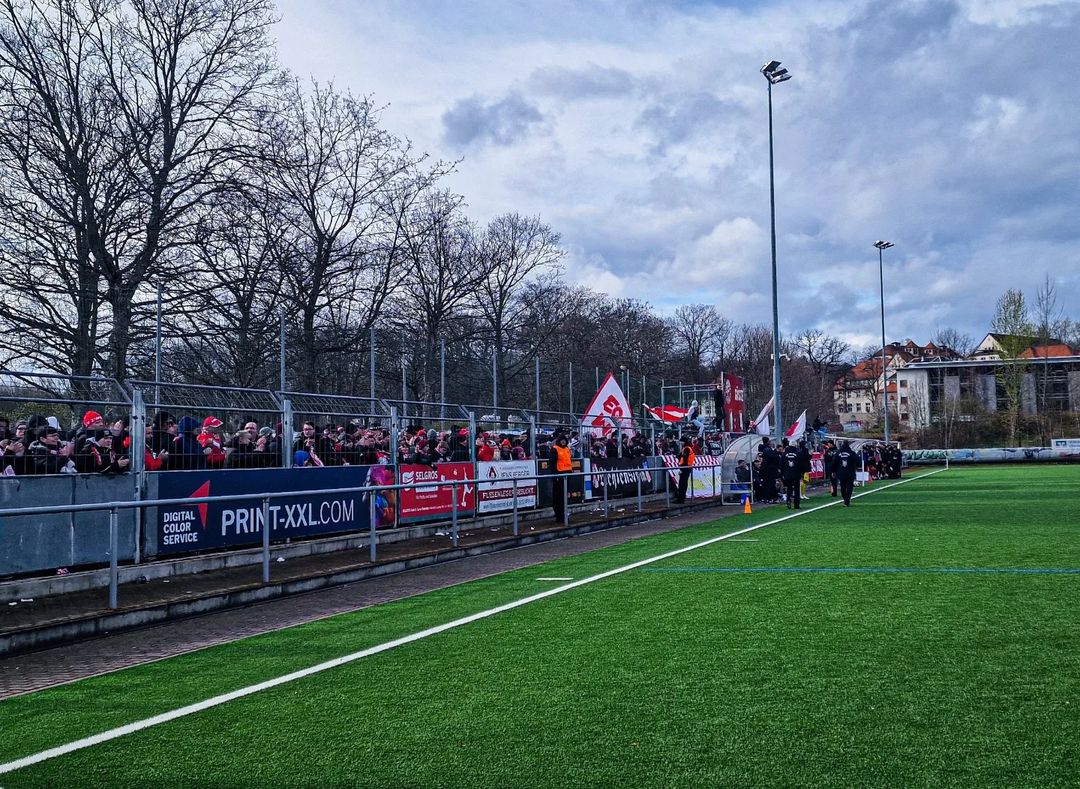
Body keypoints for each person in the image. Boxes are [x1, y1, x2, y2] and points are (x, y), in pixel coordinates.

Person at [548, 433, 572, 524]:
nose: (563, 442)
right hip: (559, 475)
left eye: (564, 440)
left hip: (567, 474)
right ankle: (559, 516)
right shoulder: (555, 449)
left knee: (565, 496)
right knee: (558, 497)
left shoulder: (567, 449)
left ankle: (563, 515)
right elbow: (552, 463)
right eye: (561, 440)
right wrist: (555, 476)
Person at [831, 440, 859, 506]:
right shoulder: (851, 453)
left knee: (842, 486)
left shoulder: (838, 453)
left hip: (840, 472)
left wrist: (833, 471)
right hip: (850, 472)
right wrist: (856, 467)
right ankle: (847, 500)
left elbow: (834, 462)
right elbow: (858, 461)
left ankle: (844, 498)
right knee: (850, 487)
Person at [780, 438, 803, 509]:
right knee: (797, 489)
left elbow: (781, 464)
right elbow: (801, 464)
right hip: (796, 474)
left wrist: (783, 473)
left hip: (787, 474)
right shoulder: (798, 453)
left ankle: (788, 502)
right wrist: (801, 473)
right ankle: (796, 504)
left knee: (789, 489)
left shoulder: (784, 453)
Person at [674, 437, 695, 503]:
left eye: (681, 441)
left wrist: (682, 469)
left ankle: (681, 498)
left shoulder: (686, 449)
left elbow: (685, 459)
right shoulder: (688, 448)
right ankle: (681, 498)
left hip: (685, 467)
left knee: (682, 484)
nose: (680, 443)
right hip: (687, 467)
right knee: (683, 483)